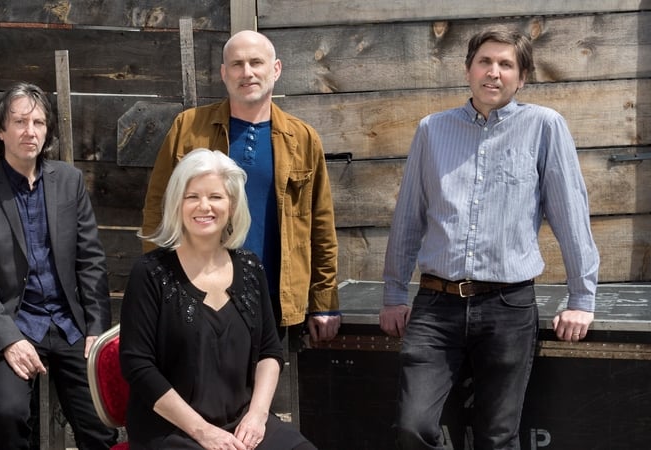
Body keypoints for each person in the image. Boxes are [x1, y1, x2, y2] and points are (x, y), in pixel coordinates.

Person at [379, 28, 600, 449]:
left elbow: (571, 218)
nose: (493, 73)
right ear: (468, 70)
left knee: (498, 436)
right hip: (435, 307)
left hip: (508, 306)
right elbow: (409, 216)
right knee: (412, 425)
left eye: (506, 64)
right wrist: (393, 293)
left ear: (522, 77)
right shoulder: (432, 130)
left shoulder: (544, 127)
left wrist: (581, 299)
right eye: (485, 61)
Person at [141, 30, 340, 343]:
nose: (247, 72)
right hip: (199, 292)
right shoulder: (188, 128)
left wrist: (324, 302)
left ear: (275, 69)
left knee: (266, 386)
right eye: (236, 64)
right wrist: (160, 288)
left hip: (273, 296)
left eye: (256, 63)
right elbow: (158, 210)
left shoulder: (303, 139)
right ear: (223, 73)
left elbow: (321, 225)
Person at [0, 82, 117, 450]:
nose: (31, 131)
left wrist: (96, 329)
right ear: (1, 130)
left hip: (68, 325)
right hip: (12, 324)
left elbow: (91, 260)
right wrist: (9, 340)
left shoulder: (70, 182)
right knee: (10, 414)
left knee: (101, 420)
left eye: (39, 123)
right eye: (20, 122)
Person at [120, 149, 317, 450]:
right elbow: (138, 366)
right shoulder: (150, 273)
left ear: (232, 205)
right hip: (172, 430)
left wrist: (257, 417)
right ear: (177, 203)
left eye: (215, 196)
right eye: (192, 197)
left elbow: (269, 351)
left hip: (242, 421)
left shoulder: (251, 268)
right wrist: (203, 432)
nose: (204, 206)